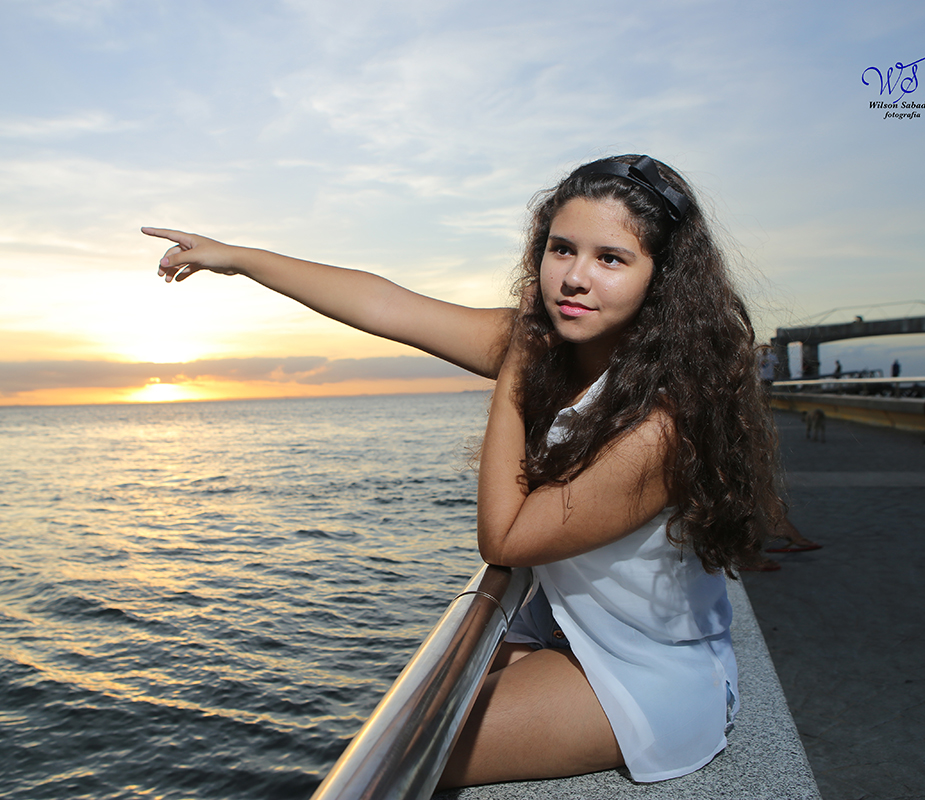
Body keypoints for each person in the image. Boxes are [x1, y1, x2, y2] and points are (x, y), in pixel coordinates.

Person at [143, 154, 785, 786]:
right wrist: (235, 258)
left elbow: (505, 539)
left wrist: (514, 366)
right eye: (561, 249)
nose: (575, 277)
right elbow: (385, 304)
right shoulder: (560, 346)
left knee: (405, 759)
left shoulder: (662, 425)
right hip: (566, 626)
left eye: (610, 258)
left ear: (662, 278)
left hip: (645, 672)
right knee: (394, 722)